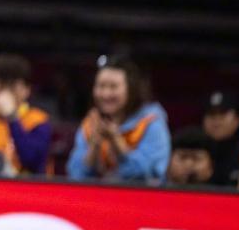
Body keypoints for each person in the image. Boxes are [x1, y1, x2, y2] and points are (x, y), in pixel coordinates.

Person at [67, 54, 170, 184]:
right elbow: (75, 175)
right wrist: (94, 146)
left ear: (131, 89)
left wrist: (116, 140)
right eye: (101, 86)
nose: (106, 94)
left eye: (113, 87)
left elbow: (145, 175)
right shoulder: (91, 123)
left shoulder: (151, 122)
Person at [0, 53, 53, 175]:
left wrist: (12, 117)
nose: (5, 92)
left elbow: (31, 161)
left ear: (27, 90)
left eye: (11, 86)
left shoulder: (39, 121)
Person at [201, 89, 239, 186]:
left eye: (223, 114)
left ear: (237, 119)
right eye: (211, 114)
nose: (217, 120)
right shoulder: (197, 150)